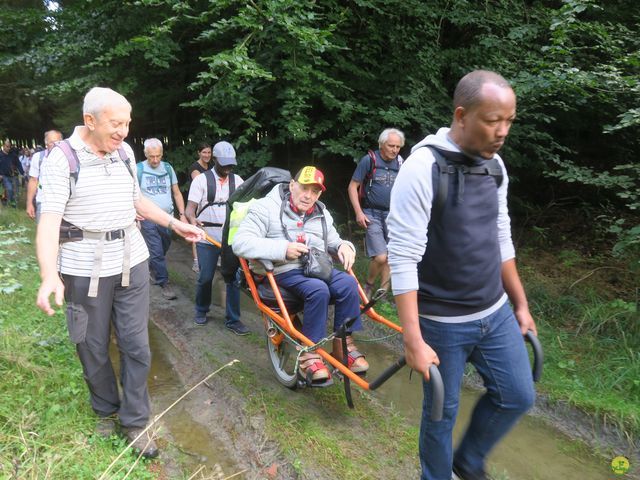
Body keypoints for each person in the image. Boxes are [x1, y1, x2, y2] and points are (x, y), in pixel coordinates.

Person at [35, 87, 203, 458]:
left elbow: (136, 200)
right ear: (90, 120)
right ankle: (106, 409)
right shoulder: (61, 159)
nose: (124, 131)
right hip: (82, 269)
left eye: (127, 123)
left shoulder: (125, 152)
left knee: (136, 345)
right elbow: (49, 221)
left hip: (131, 261)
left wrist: (174, 223)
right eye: (116, 123)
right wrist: (50, 274)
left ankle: (136, 422)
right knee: (91, 345)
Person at [387, 70, 536, 480]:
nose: (502, 131)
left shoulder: (495, 166)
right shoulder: (421, 168)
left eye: (509, 121)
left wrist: (520, 303)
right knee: (441, 414)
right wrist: (413, 339)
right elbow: (403, 259)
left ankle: (468, 463)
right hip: (442, 323)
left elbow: (500, 236)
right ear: (462, 115)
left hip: (496, 312)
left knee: (517, 396)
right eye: (493, 121)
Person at [233, 166, 369, 383]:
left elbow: (335, 241)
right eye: (304, 188)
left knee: (348, 283)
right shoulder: (265, 208)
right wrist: (283, 248)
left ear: (320, 194)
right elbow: (240, 243)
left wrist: (345, 247)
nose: (308, 196)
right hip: (281, 270)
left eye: (314, 191)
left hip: (316, 268)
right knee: (318, 289)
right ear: (292, 185)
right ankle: (309, 354)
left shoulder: (321, 213)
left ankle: (344, 346)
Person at [185, 141, 248, 334]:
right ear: (215, 160)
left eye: (231, 164)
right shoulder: (201, 181)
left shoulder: (237, 181)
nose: (228, 168)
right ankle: (202, 309)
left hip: (229, 239)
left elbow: (245, 208)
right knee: (205, 277)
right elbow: (189, 210)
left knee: (233, 279)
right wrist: (193, 220)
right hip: (207, 238)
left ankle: (233, 320)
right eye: (224, 164)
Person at [347, 128, 405, 299]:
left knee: (391, 255)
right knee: (381, 257)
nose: (395, 150)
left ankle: (383, 294)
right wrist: (358, 212)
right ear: (381, 145)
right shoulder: (369, 160)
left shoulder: (401, 163)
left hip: (394, 215)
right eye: (391, 146)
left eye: (398, 146)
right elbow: (352, 187)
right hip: (371, 213)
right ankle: (369, 284)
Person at [137, 137, 187, 300]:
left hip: (167, 217)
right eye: (151, 156)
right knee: (157, 250)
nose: (155, 160)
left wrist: (182, 214)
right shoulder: (138, 169)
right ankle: (164, 282)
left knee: (164, 247)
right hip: (148, 218)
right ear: (146, 154)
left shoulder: (167, 168)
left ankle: (153, 268)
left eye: (158, 156)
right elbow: (132, 194)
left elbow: (177, 192)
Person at [26, 130, 64, 222]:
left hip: (63, 204)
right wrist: (29, 203)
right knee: (43, 234)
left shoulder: (68, 158)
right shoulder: (38, 157)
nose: (55, 145)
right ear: (46, 143)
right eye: (52, 142)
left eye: (58, 142)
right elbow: (33, 180)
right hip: (43, 203)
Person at [187, 142, 213, 273]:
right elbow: (202, 185)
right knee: (196, 231)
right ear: (199, 153)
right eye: (204, 152)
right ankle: (196, 261)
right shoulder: (195, 168)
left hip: (209, 203)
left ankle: (213, 256)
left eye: (209, 152)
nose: (207, 155)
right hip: (197, 205)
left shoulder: (211, 166)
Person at [0, 139, 24, 207]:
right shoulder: (0, 155)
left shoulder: (13, 155)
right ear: (3, 146)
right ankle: (3, 200)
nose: (8, 148)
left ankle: (13, 205)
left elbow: (18, 164)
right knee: (9, 189)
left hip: (14, 175)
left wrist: (22, 173)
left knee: (15, 191)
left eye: (9, 146)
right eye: (7, 146)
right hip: (4, 176)